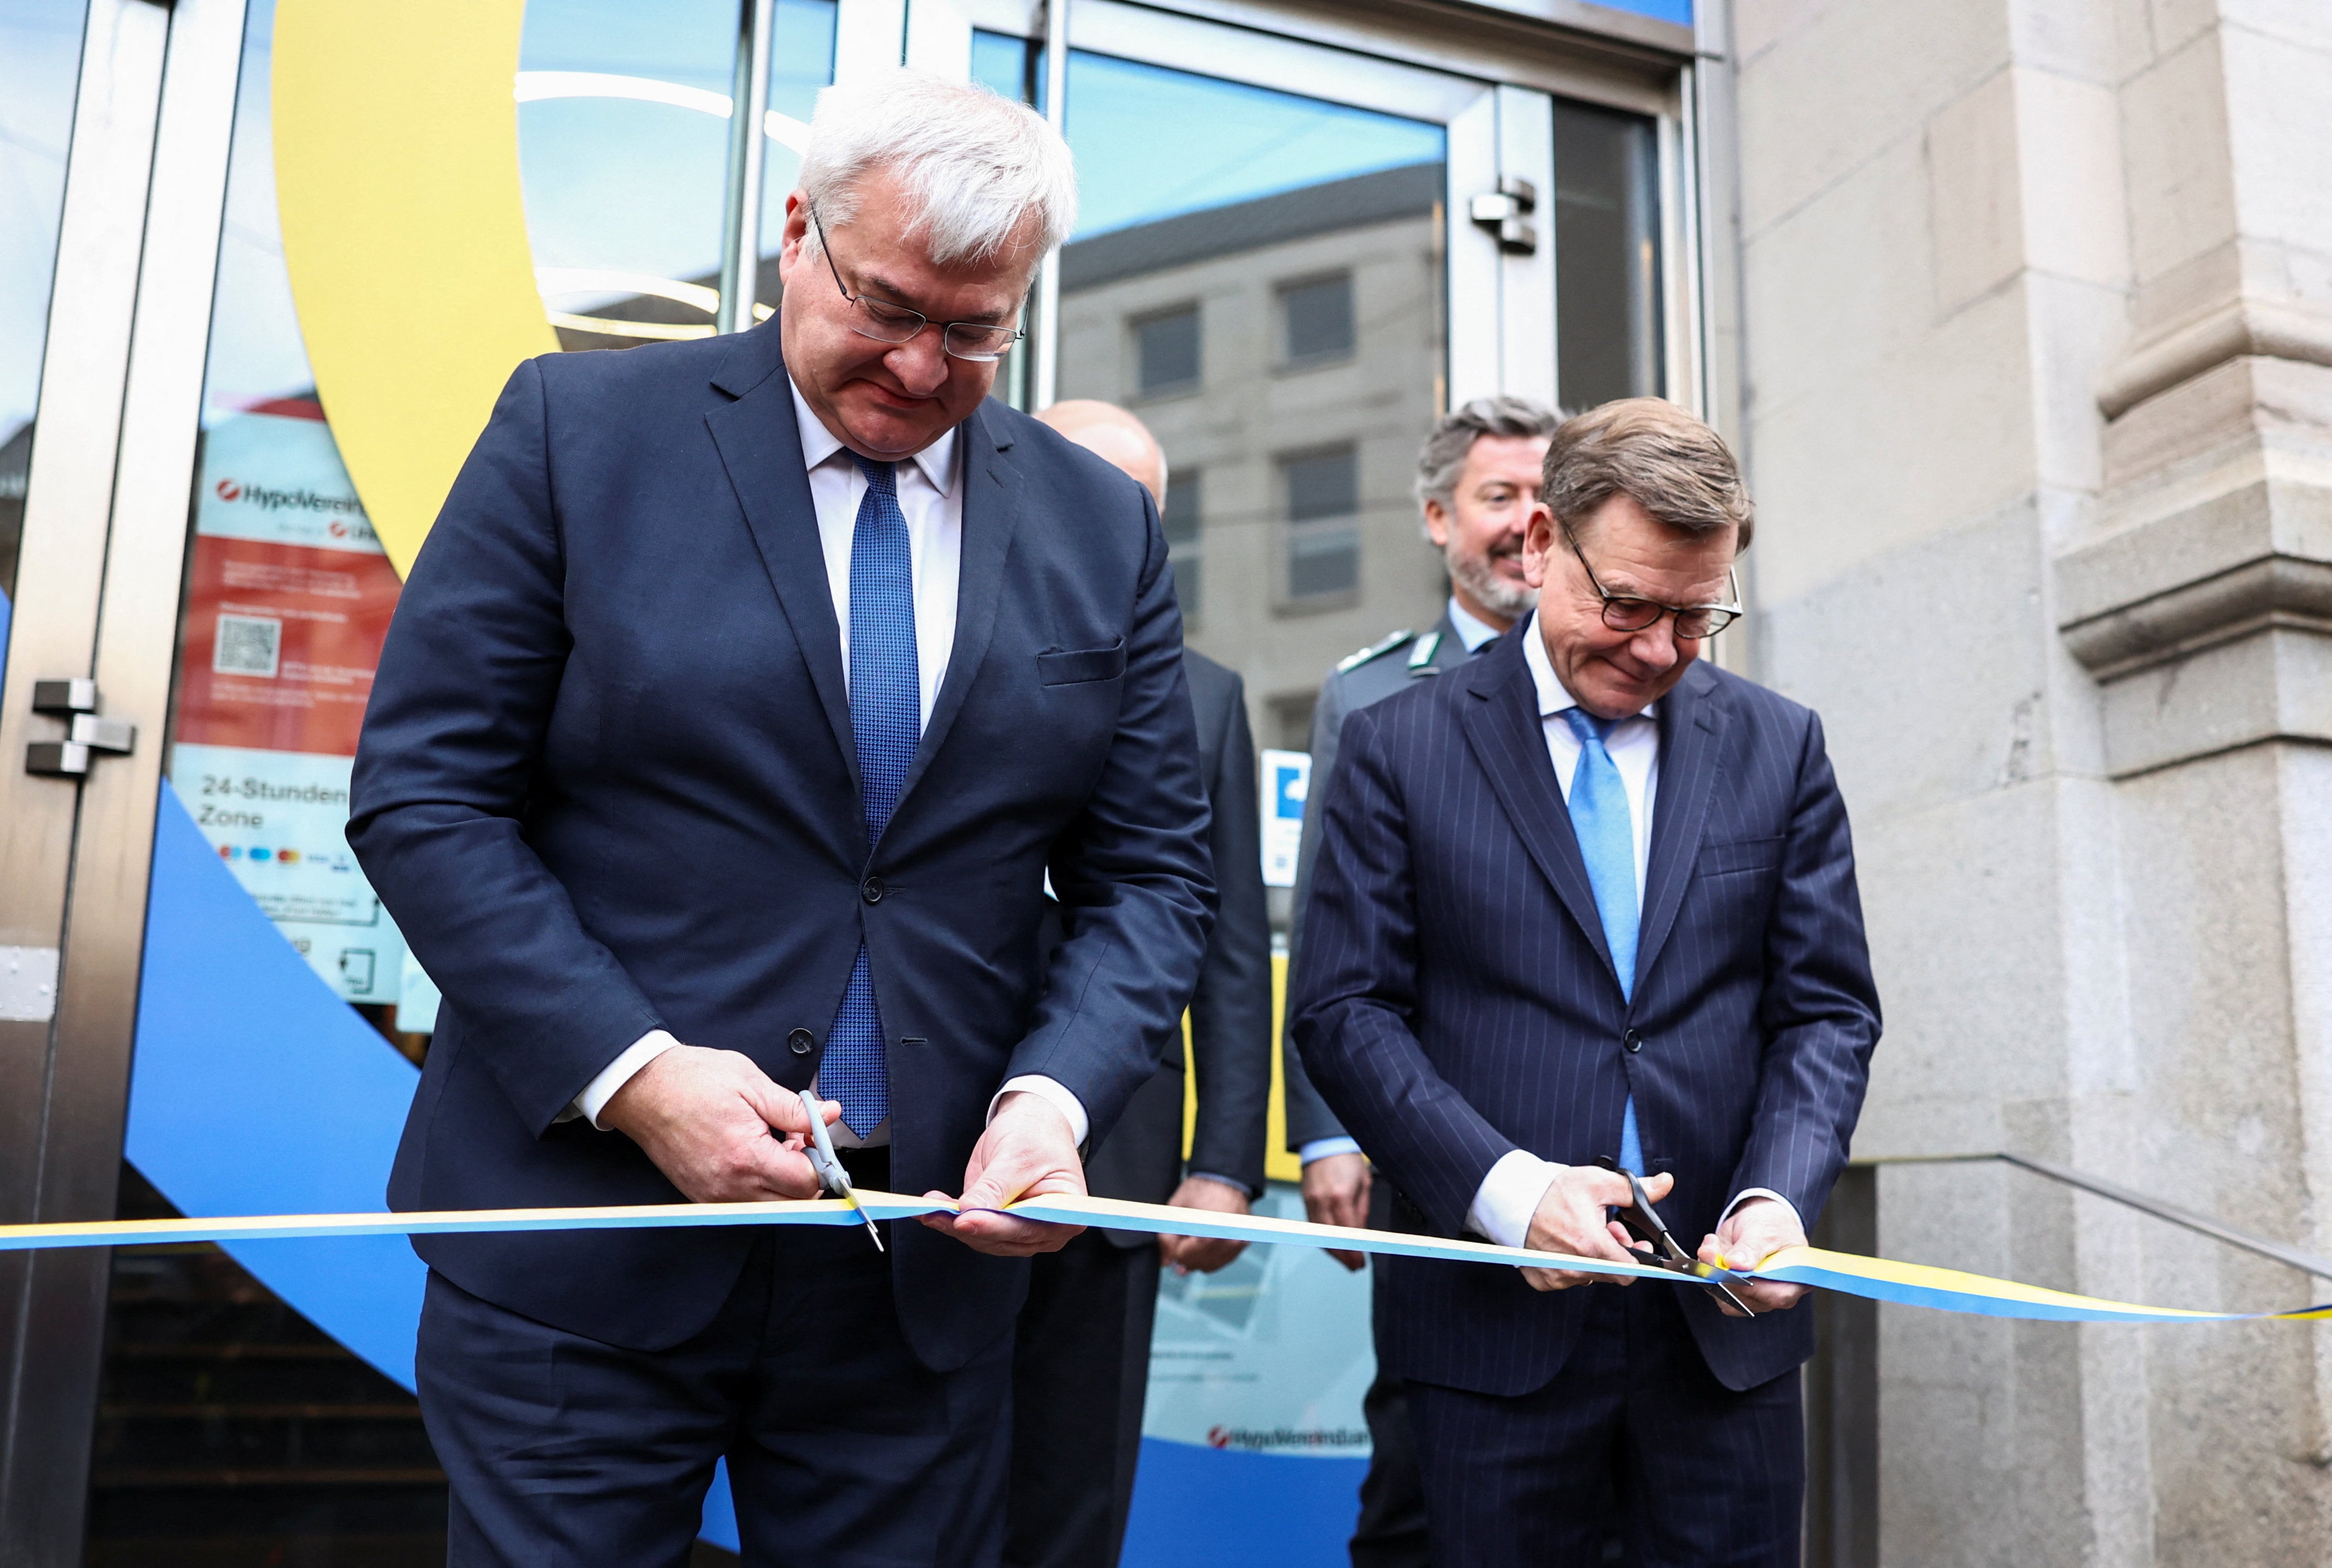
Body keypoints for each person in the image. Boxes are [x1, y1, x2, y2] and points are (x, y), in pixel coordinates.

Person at [347, 73, 1214, 1566]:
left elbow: (1149, 878)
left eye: (973, 327)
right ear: (796, 234)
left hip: (920, 1274)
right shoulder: (577, 429)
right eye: (886, 304)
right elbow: (427, 792)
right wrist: (634, 1069)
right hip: (583, 1237)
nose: (921, 360)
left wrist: (1053, 1099)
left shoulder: (1100, 522)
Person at [1290, 398, 1880, 1567]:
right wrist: (1506, 1191)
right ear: (1546, 541)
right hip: (1491, 1332)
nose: (1658, 648)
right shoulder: (1396, 744)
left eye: (1694, 615)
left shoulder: (1780, 744)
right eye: (1626, 605)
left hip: (1724, 1336)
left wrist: (1775, 1196)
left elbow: (1824, 1010)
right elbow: (1344, 1012)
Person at [1282, 394, 1563, 1568]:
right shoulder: (1372, 693)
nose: (1526, 523)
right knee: (1421, 1459)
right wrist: (1330, 1134)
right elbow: (1330, 930)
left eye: (1546, 498)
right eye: (1499, 497)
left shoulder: (1631, 668)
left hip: (1595, 1125)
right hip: (1428, 1129)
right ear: (1439, 517)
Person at [1005, 400, 1273, 1568]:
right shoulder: (924, 637)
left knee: (1074, 1494)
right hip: (911, 1136)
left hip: (1114, 1163)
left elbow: (1220, 939)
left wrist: (1222, 1163)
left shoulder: (1204, 695)